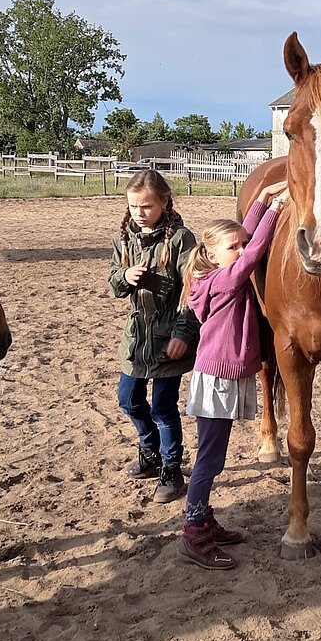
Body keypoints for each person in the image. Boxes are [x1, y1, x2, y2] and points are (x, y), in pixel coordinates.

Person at [176, 179, 288, 570]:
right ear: (209, 253)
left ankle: (204, 518)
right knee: (208, 459)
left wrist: (259, 199)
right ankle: (193, 532)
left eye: (240, 244)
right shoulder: (222, 280)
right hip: (217, 378)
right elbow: (254, 251)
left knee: (214, 456)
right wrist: (275, 210)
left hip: (222, 374)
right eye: (231, 247)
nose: (239, 250)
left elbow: (245, 242)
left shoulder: (215, 272)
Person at [108, 170, 200, 504]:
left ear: (164, 201)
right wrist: (124, 276)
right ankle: (150, 451)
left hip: (168, 340)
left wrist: (183, 335)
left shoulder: (181, 239)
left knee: (163, 408)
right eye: (133, 206)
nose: (139, 212)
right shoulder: (124, 239)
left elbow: (193, 292)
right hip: (136, 339)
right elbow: (113, 285)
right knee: (128, 400)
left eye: (146, 206)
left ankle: (172, 470)